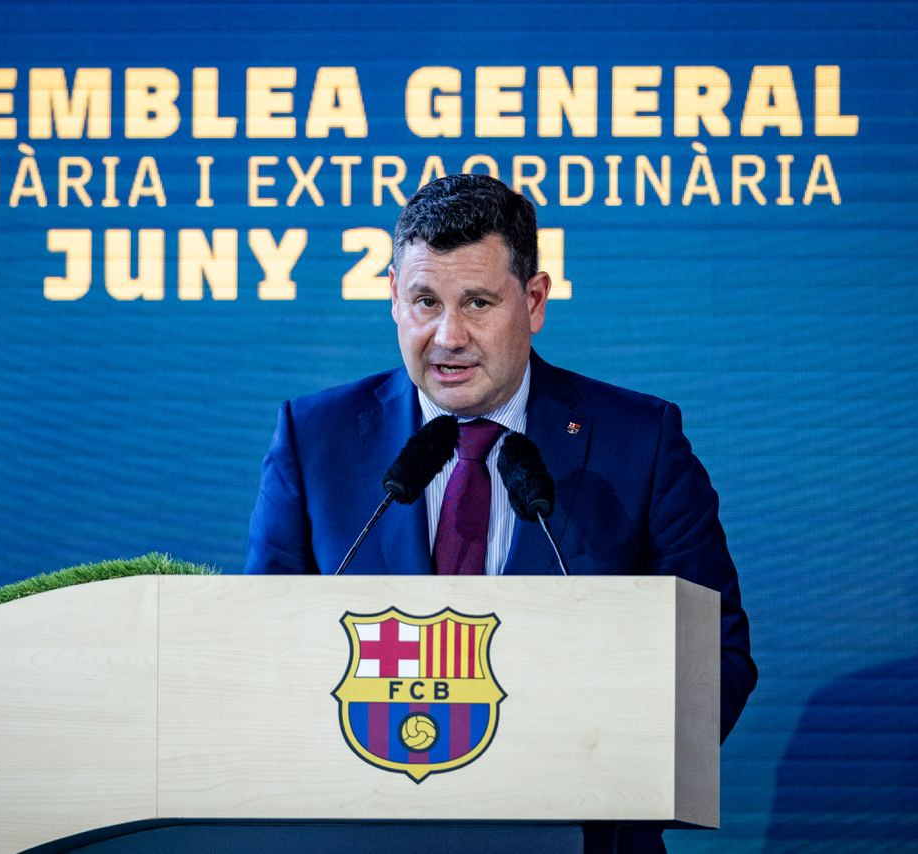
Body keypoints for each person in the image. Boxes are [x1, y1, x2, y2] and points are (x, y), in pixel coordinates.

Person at [245, 173, 755, 853]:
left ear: (534, 301)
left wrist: (609, 771)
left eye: (477, 302)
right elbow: (261, 653)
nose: (447, 336)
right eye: (424, 301)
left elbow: (715, 655)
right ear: (393, 297)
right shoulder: (317, 440)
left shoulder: (641, 441)